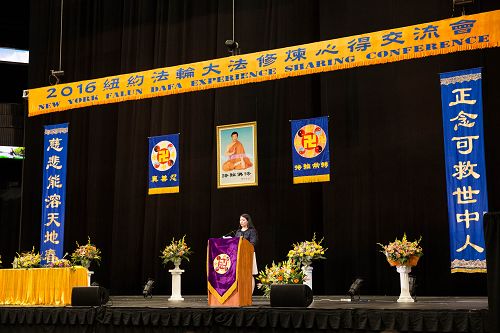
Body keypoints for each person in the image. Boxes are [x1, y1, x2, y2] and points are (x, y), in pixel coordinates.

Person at [234, 213, 259, 284]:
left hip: (248, 254)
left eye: (243, 220)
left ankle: (249, 292)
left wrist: (245, 246)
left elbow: (253, 243)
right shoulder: (238, 231)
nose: (241, 222)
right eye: (240, 220)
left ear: (248, 221)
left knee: (249, 274)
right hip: (238, 255)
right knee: (239, 274)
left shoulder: (252, 231)